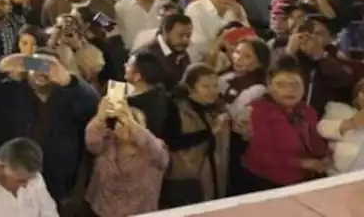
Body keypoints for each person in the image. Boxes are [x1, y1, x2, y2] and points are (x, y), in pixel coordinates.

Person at [0, 51, 98, 200]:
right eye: (35, 64)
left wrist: (71, 82)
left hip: (54, 179)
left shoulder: (71, 96)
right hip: (8, 175)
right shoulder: (9, 91)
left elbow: (92, 104)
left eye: (49, 67)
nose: (42, 70)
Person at [241, 56, 331, 190]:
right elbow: (262, 154)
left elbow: (315, 143)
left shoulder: (308, 112)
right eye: (281, 84)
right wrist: (303, 163)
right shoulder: (257, 112)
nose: (289, 90)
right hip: (264, 182)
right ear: (270, 87)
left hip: (302, 181)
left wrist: (327, 156)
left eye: (295, 84)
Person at [83, 98, 169, 217]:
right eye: (121, 123)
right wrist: (100, 117)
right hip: (101, 209)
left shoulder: (154, 148)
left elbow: (160, 156)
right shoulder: (108, 141)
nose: (126, 127)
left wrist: (130, 121)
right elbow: (92, 142)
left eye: (135, 123)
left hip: (138, 211)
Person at [160, 64, 229, 207]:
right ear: (191, 88)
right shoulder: (176, 108)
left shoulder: (218, 108)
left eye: (215, 86)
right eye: (206, 87)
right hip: (186, 180)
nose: (212, 91)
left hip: (214, 177)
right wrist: (209, 133)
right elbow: (172, 142)